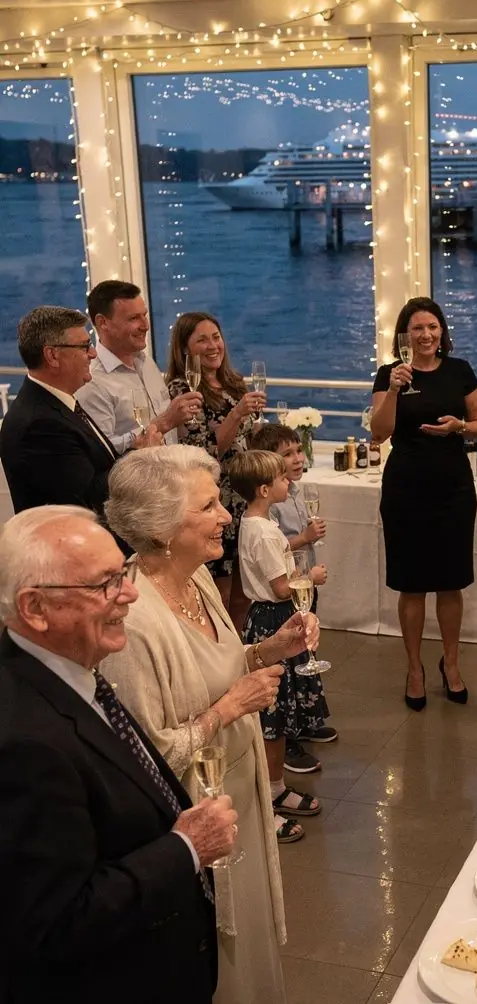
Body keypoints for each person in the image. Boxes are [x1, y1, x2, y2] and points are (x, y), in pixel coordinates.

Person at [0, 505, 237, 1004]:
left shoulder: (75, 679)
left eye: (124, 572)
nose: (128, 595)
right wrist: (185, 850)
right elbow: (55, 919)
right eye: (105, 583)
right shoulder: (23, 739)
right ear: (35, 609)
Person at [101, 445, 303, 1004]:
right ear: (159, 527)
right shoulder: (134, 616)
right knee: (205, 993)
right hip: (190, 829)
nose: (227, 514)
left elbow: (223, 669)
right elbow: (137, 757)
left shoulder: (194, 586)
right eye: (209, 507)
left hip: (237, 804)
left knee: (246, 974)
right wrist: (231, 709)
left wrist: (268, 651)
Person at [370, 296, 477, 709]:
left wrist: (459, 428)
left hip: (453, 487)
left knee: (451, 581)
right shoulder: (390, 374)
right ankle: (415, 668)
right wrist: (395, 392)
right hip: (405, 488)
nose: (426, 335)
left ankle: (450, 664)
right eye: (417, 328)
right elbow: (378, 433)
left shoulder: (460, 370)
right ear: (404, 336)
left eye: (432, 327)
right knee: (413, 583)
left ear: (442, 332)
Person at [231, 448, 329, 833]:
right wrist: (312, 578)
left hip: (263, 617)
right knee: (275, 715)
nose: (290, 481)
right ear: (263, 488)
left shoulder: (254, 523)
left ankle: (275, 785)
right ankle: (273, 789)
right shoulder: (267, 531)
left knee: (278, 714)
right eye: (283, 478)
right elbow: (279, 586)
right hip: (275, 620)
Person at [165, 311, 266, 617]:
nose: (212, 346)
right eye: (202, 340)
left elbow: (246, 438)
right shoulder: (183, 390)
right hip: (215, 500)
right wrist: (236, 414)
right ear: (185, 349)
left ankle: (240, 657)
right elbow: (204, 453)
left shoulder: (233, 382)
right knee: (218, 596)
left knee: (245, 593)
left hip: (244, 499)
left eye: (216, 337)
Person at [248, 419, 336, 766]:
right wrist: (305, 540)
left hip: (300, 588)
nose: (298, 459)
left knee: (303, 656)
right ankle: (285, 742)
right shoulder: (270, 508)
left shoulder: (294, 492)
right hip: (286, 594)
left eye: (299, 450)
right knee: (286, 670)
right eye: (289, 455)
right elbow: (279, 549)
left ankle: (305, 722)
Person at [0, 305, 120, 515]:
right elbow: (89, 500)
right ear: (52, 356)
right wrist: (138, 457)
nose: (92, 354)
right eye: (84, 346)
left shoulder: (55, 402)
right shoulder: (39, 425)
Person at [76, 279, 202, 451]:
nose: (146, 326)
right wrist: (165, 421)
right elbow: (102, 452)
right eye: (134, 318)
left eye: (145, 315)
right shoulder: (92, 382)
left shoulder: (146, 362)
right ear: (102, 323)